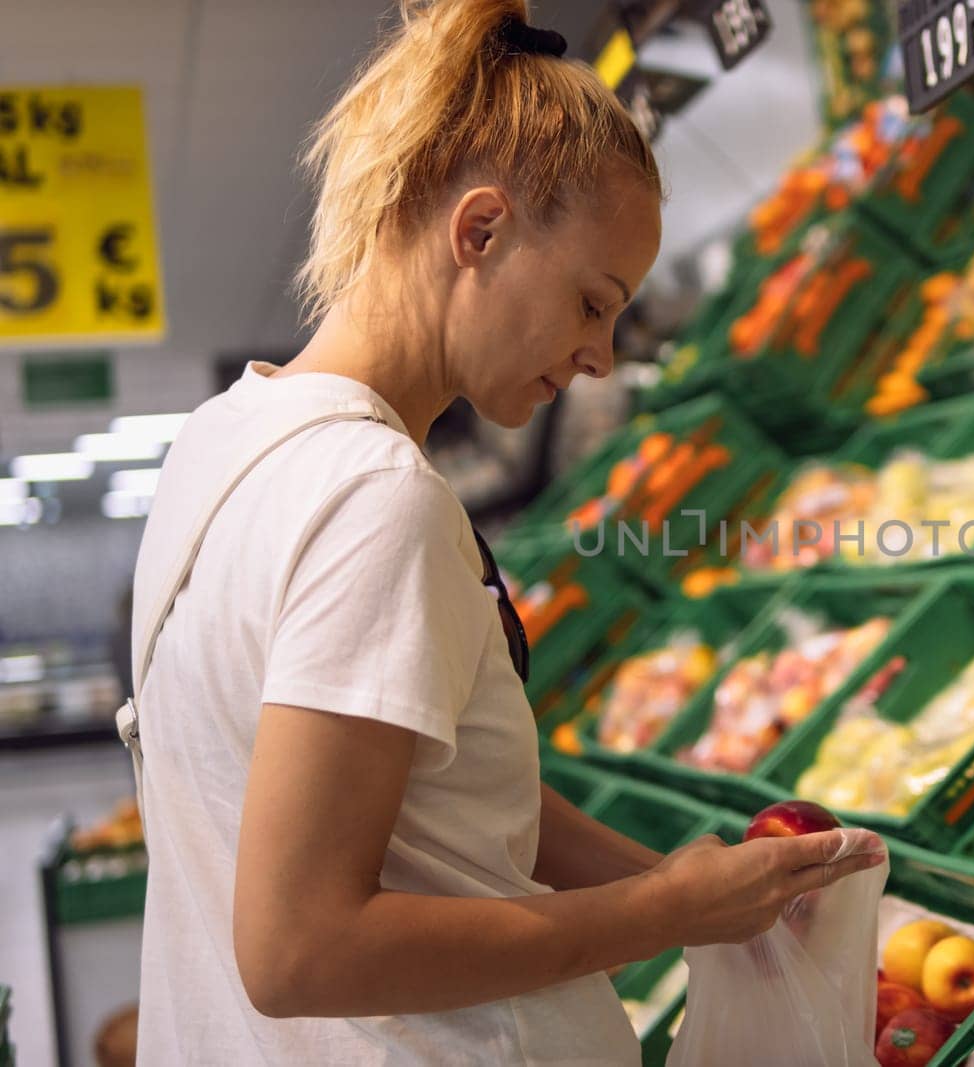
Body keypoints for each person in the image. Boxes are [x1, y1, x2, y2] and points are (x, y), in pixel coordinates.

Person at [129, 2, 885, 1063]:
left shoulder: (221, 444)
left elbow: (427, 792)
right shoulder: (371, 498)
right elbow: (300, 946)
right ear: (478, 231)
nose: (601, 358)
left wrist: (695, 887)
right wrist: (664, 915)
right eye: (590, 301)